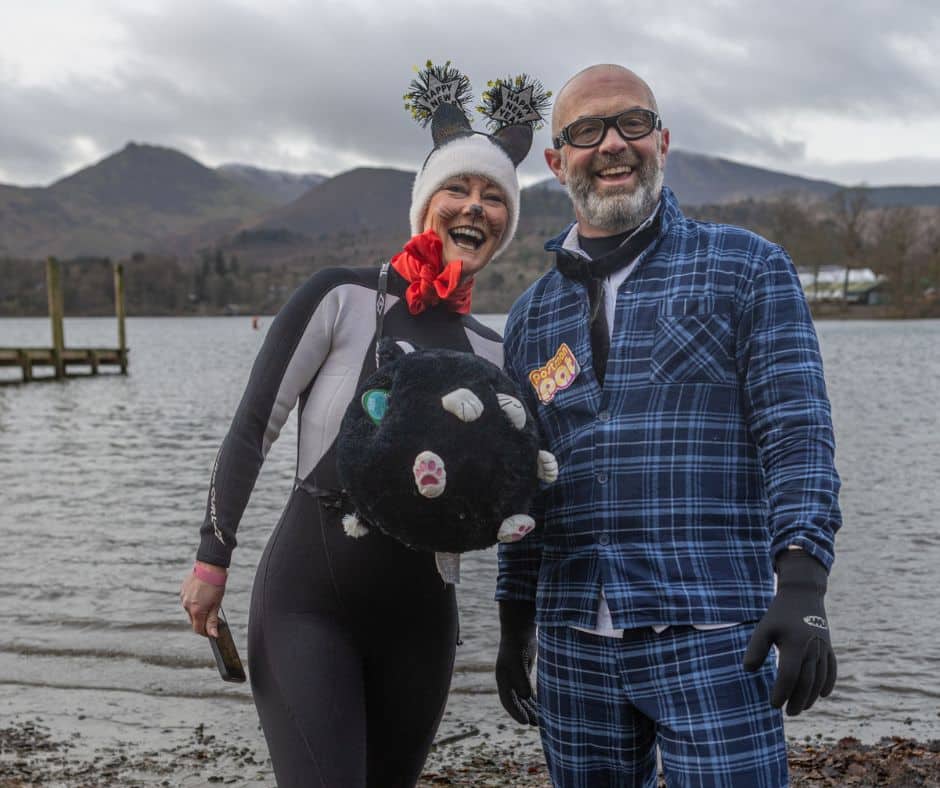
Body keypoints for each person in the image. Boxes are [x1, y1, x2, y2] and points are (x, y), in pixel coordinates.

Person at [179, 63, 548, 788]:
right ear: (425, 203)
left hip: (423, 626)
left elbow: (514, 501)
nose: (475, 207)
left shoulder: (495, 350)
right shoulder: (342, 298)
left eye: (494, 196)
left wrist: (517, 630)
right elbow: (255, 425)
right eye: (457, 188)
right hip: (308, 605)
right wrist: (210, 558)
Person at [494, 64, 842, 787]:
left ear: (664, 140)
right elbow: (521, 486)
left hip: (714, 629)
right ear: (557, 162)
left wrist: (802, 583)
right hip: (572, 642)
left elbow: (797, 433)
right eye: (587, 131)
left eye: (633, 124)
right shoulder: (530, 316)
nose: (613, 145)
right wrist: (513, 619)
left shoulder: (745, 268)